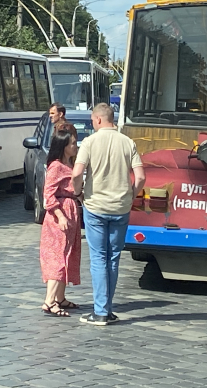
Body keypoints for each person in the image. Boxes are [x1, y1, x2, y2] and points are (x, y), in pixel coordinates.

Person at [72, 103, 145, 326]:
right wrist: (131, 196)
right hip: (121, 207)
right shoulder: (127, 142)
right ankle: (108, 308)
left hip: (96, 206)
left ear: (98, 119)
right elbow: (140, 177)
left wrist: (78, 193)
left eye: (93, 120)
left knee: (98, 258)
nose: (93, 124)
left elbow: (77, 173)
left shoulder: (90, 142)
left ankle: (101, 311)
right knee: (113, 258)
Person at [40, 129, 82, 318]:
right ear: (63, 146)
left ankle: (60, 297)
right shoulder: (55, 166)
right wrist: (61, 215)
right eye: (72, 143)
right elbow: (48, 195)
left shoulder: (70, 164)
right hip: (59, 215)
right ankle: (49, 301)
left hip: (71, 209)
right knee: (57, 256)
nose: (76, 146)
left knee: (68, 253)